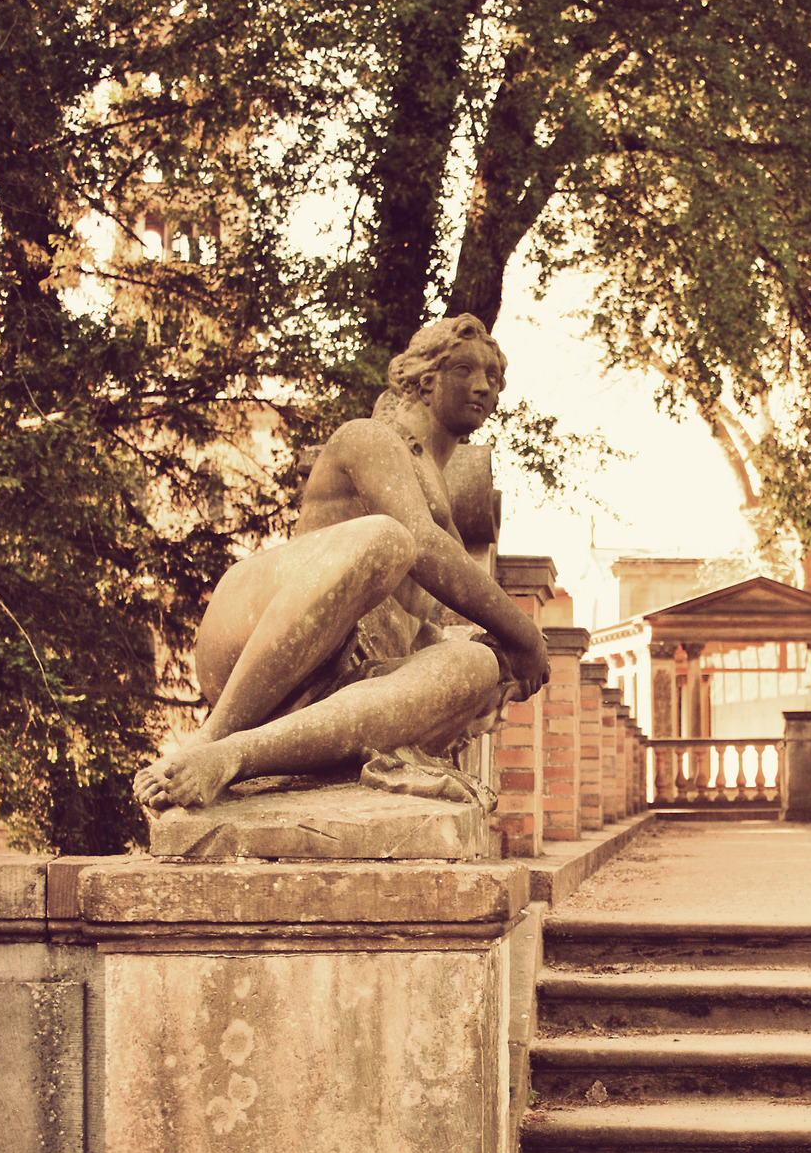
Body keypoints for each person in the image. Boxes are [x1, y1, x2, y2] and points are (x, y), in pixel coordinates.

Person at [134, 315, 549, 814]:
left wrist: (489, 675)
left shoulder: (440, 500)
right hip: (257, 641)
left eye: (493, 378)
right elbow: (420, 543)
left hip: (338, 691)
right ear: (423, 380)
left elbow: (421, 627)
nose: (483, 385)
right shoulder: (368, 438)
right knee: (389, 539)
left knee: (475, 664)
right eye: (464, 369)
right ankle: (210, 737)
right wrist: (525, 635)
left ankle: (236, 756)